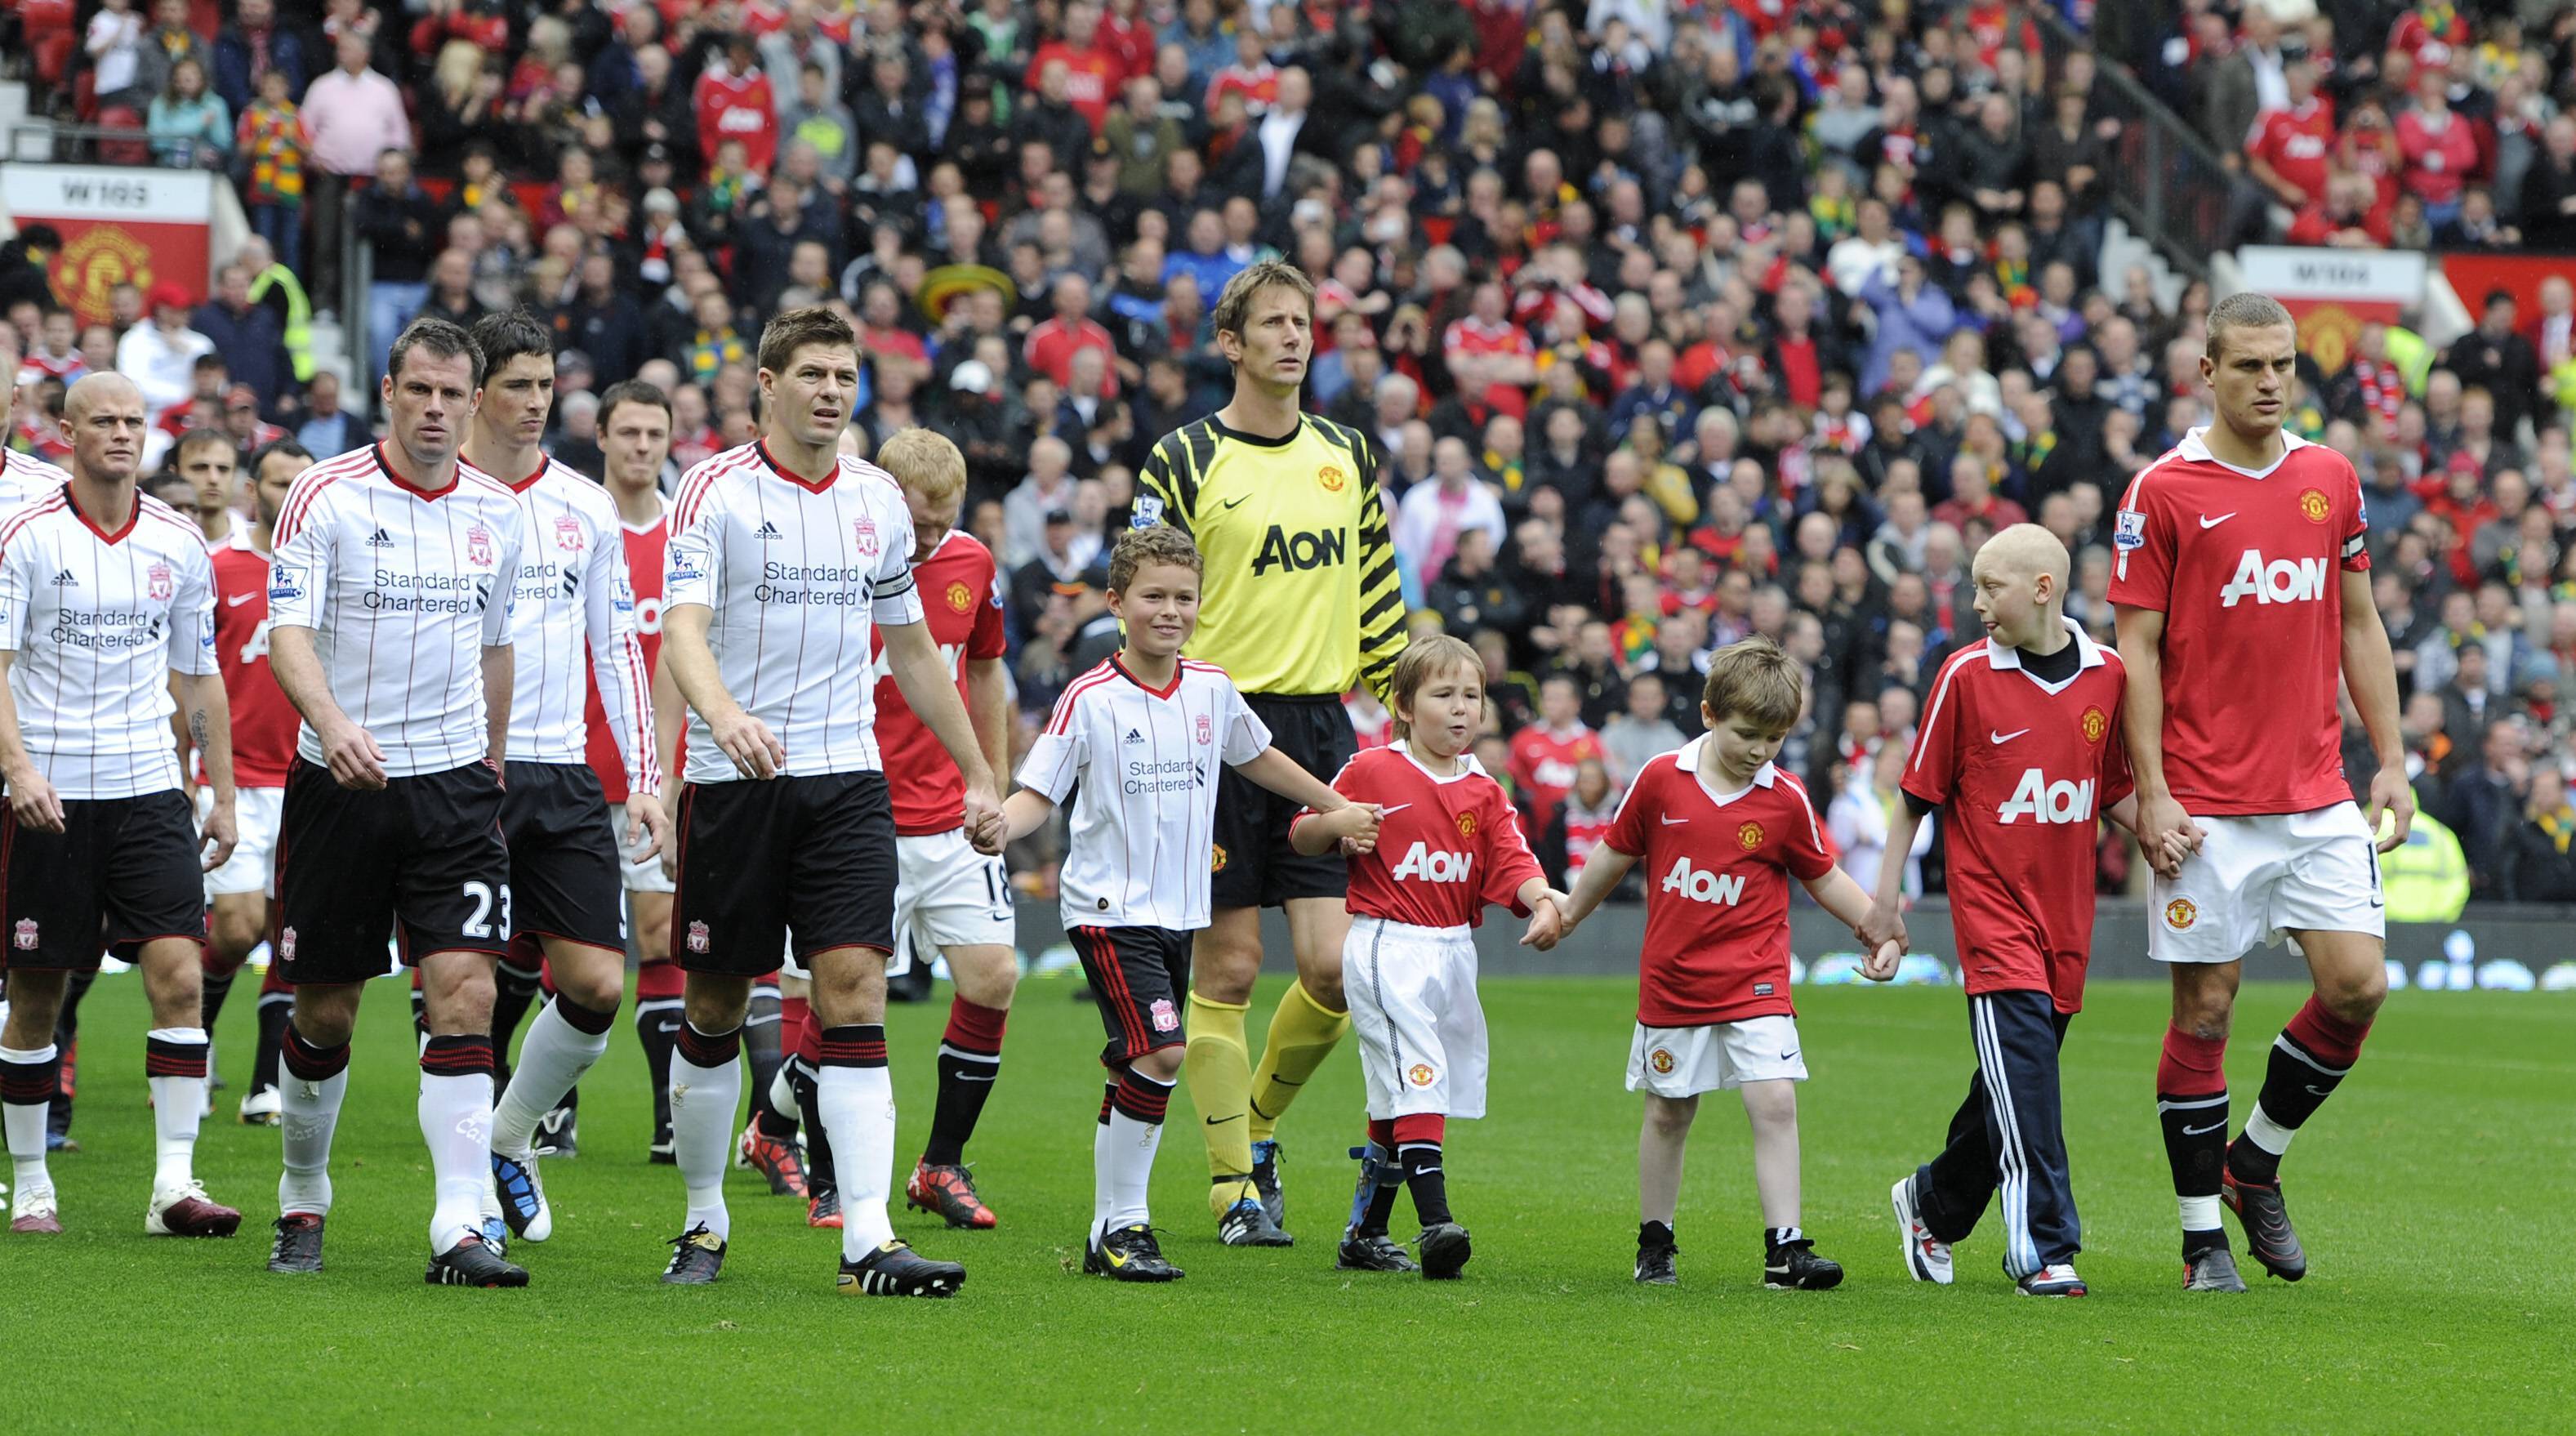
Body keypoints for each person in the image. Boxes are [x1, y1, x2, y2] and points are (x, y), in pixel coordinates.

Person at [657, 307, 1001, 1296]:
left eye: (844, 376)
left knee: (851, 986)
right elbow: (683, 630)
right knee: (719, 1004)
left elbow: (912, 651)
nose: (829, 391)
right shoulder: (712, 491)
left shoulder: (878, 501)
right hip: (738, 783)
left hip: (849, 782)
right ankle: (703, 1221)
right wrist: (720, 716)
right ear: (764, 383)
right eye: (810, 373)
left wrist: (978, 771)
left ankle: (867, 1241)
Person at [2110, 292, 2411, 1293]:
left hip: (2315, 793)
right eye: (2247, 366)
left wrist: (2392, 758)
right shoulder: (2162, 490)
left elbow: (2360, 624)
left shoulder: (2329, 477)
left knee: (2358, 985)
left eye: (2281, 363)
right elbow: (2135, 653)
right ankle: (2201, 1242)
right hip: (2202, 804)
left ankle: (2254, 1163)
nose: (2271, 380)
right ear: (2206, 372)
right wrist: (2150, 794)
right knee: (2205, 1011)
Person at [998, 525, 1379, 1282]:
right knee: (1165, 1052)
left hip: (1180, 912)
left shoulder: (1210, 687)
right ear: (1116, 604)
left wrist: (1334, 803)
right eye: (1153, 597)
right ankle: (1129, 1226)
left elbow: (1260, 756)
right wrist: (995, 827)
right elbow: (1038, 792)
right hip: (1108, 911)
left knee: (1131, 1069)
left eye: (1184, 597)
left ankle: (1105, 1233)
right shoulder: (1089, 698)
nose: (1169, 611)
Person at [1133, 259, 1406, 1247]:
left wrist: (1405, 704)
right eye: (1273, 323)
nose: (1293, 337)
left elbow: (1375, 591)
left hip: (1320, 734)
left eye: (1304, 322)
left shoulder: (1346, 453)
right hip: (1210, 728)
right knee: (1235, 964)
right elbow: (1140, 582)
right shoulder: (1182, 457)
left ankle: (1254, 1130)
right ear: (1230, 343)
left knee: (1334, 969)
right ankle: (1231, 1188)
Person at [261, 316, 529, 1287]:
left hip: (454, 788)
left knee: (465, 992)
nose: (434, 410)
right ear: (387, 391)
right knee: (326, 1010)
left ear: (474, 402)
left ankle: (460, 1226)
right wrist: (331, 723)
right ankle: (303, 1192)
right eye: (418, 391)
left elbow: (495, 648)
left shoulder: (500, 513)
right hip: (340, 785)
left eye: (452, 395)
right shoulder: (322, 497)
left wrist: (490, 764)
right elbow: (286, 631)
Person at [1861, 525, 2165, 1299]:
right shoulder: (1964, 676)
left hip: (2067, 920)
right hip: (1994, 921)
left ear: (2042, 587)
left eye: (1990, 587)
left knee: (2012, 1086)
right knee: (2029, 1083)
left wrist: (2166, 829)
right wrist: (1885, 909)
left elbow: (2112, 788)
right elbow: (1914, 803)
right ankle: (2043, 1249)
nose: (1976, 603)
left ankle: (1930, 1202)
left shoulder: (2106, 675)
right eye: (1973, 586)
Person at [1556, 636, 1895, 1290]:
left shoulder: (1785, 798)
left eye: (1774, 738)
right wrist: (1568, 913)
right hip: (1675, 979)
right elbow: (1612, 853)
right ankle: (1655, 1243)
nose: (1759, 751)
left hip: (1757, 976)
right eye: (1747, 735)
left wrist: (1875, 929)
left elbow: (1824, 876)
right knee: (1668, 1112)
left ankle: (1785, 1249)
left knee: (1773, 1102)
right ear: (1709, 714)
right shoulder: (1659, 779)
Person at [0, 372, 236, 1240]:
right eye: (104, 420)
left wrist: (218, 792)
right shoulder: (24, 537)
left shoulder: (177, 542)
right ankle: (31, 1184)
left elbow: (198, 677)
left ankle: (173, 1186)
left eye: (135, 421)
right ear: (65, 431)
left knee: (179, 977)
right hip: (51, 797)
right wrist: (19, 771)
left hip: (148, 791)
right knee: (36, 993)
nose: (123, 434)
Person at [459, 311, 663, 1250]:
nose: (537, 404)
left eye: (547, 387)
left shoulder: (584, 507)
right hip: (455, 769)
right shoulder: (440, 496)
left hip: (562, 770)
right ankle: (449, 1201)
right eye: (518, 386)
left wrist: (648, 781)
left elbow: (618, 649)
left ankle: (510, 1135)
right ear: (476, 392)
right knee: (453, 990)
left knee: (594, 986)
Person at [1295, 634, 1564, 1279]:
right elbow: (1304, 831)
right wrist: (1336, 824)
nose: (1461, 708)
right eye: (1444, 694)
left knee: (1398, 1092)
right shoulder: (1371, 770)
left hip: (1451, 950)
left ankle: (1365, 1231)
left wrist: (1543, 900)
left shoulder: (1486, 790)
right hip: (1388, 941)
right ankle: (1436, 1224)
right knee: (1422, 1075)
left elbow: (1511, 859)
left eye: (1471, 695)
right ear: (1406, 706)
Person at [826, 429, 1022, 1232]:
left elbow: (983, 666)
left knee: (994, 975)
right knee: (839, 998)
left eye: (946, 521)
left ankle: (939, 1165)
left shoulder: (973, 565)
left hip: (946, 816)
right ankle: (792, 1140)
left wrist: (995, 782)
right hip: (855, 810)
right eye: (919, 523)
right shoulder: (840, 557)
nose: (934, 538)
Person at [577, 381, 686, 1162]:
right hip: (575, 772)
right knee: (566, 946)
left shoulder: (687, 538)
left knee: (659, 937)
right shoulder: (575, 525)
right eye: (630, 433)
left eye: (655, 434)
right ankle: (548, 1108)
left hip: (658, 780)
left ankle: (667, 1116)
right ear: (603, 438)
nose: (643, 447)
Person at [193, 439, 313, 1127]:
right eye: (276, 481)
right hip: (233, 778)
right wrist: (198, 767)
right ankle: (195, 1038)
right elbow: (189, 674)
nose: (289, 492)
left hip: (307, 776)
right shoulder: (221, 569)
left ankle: (266, 1082)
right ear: (253, 489)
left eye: (300, 481)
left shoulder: (334, 568)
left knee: (289, 930)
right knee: (237, 929)